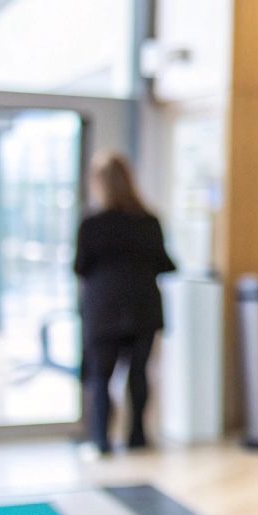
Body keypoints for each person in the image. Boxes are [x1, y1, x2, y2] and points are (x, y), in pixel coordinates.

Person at [73, 153, 175, 456]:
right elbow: (165, 263)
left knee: (101, 376)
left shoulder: (92, 223)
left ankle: (101, 439)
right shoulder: (148, 221)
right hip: (143, 307)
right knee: (139, 374)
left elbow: (79, 266)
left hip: (103, 310)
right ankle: (137, 436)